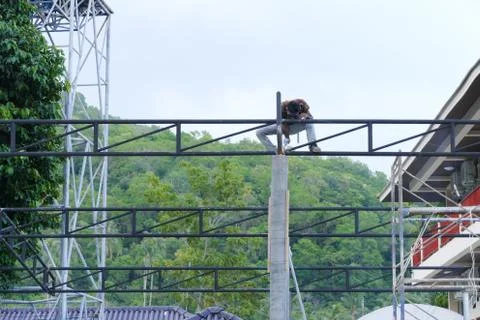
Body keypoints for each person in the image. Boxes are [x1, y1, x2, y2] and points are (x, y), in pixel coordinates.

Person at [256, 98, 321, 153]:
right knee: (259, 132)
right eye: (290, 114)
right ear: (287, 109)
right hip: (282, 126)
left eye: (294, 115)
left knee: (310, 122)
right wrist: (287, 138)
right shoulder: (282, 107)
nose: (292, 116)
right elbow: (284, 125)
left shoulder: (302, 103)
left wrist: (306, 116)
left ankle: (313, 145)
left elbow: (311, 117)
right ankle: (274, 150)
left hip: (296, 125)